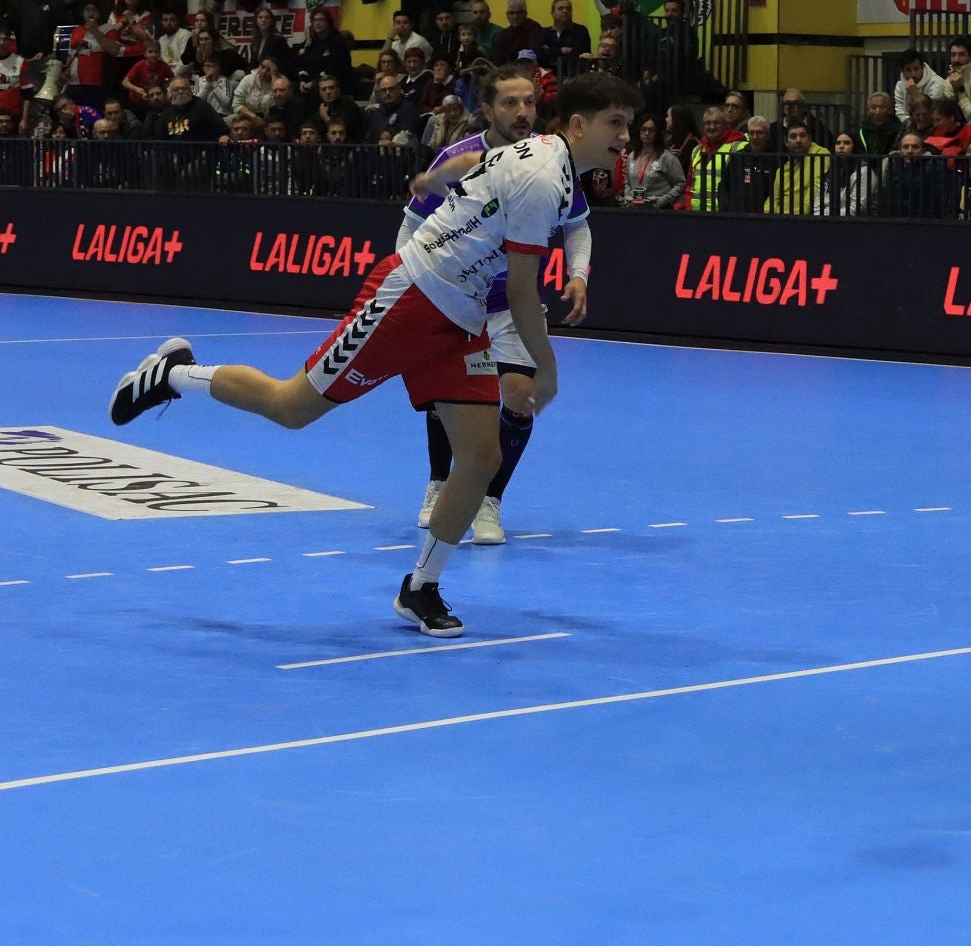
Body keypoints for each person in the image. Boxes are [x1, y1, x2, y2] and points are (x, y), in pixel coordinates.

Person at [109, 72, 639, 637]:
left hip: (459, 318)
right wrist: (548, 370)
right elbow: (520, 289)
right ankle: (175, 373)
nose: (625, 137)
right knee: (292, 407)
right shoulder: (541, 174)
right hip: (412, 299)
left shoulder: (551, 164)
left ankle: (421, 589)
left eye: (628, 125)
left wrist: (434, 177)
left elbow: (469, 171)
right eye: (616, 124)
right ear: (579, 125)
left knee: (481, 458)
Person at [394, 69, 595, 547]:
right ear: (488, 109)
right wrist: (414, 288)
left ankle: (490, 500)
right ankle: (440, 485)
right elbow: (411, 230)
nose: (522, 112)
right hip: (456, 298)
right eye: (510, 103)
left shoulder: (551, 160)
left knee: (519, 396)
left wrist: (578, 274)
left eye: (529, 102)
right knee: (450, 397)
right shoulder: (457, 159)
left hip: (512, 303)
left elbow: (578, 225)